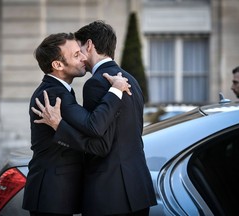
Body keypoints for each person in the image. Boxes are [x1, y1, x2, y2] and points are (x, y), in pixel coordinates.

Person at [33, 21, 157, 216]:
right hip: (137, 188)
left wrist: (59, 126)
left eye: (79, 51)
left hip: (110, 193)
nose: (81, 57)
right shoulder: (129, 79)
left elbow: (97, 135)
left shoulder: (97, 83)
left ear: (89, 45)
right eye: (75, 55)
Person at [22, 32, 132, 216]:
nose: (83, 57)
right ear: (57, 65)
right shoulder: (54, 94)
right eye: (75, 55)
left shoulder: (59, 90)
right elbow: (93, 125)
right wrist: (115, 90)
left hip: (56, 193)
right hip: (52, 195)